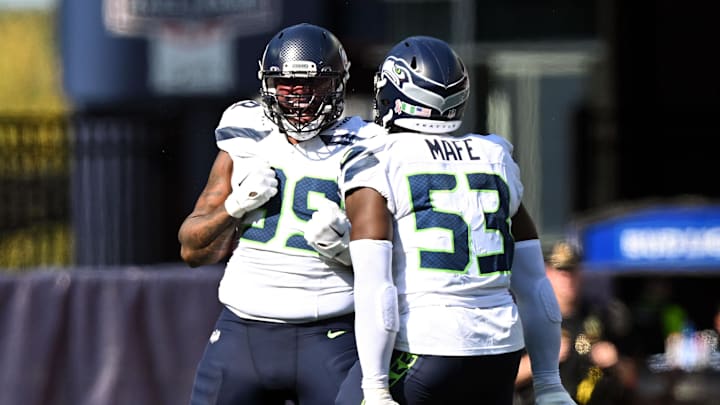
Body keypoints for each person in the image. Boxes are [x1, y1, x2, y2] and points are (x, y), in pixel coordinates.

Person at [334, 36, 574, 405]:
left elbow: (375, 288)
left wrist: (375, 387)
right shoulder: (493, 154)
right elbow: (534, 283)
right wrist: (548, 382)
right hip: (499, 353)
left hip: (426, 346)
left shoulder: (380, 155)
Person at [177, 23, 386, 405]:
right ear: (268, 85)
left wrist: (343, 249)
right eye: (287, 84)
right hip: (241, 332)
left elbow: (393, 265)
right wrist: (234, 208)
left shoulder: (366, 145)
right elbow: (192, 250)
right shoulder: (244, 131)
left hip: (329, 335)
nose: (300, 97)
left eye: (313, 85)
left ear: (337, 85)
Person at [514, 241, 635, 405]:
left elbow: (632, 376)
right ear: (547, 273)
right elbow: (500, 381)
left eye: (572, 271)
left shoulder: (600, 315)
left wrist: (615, 361)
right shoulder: (526, 318)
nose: (568, 279)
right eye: (561, 271)